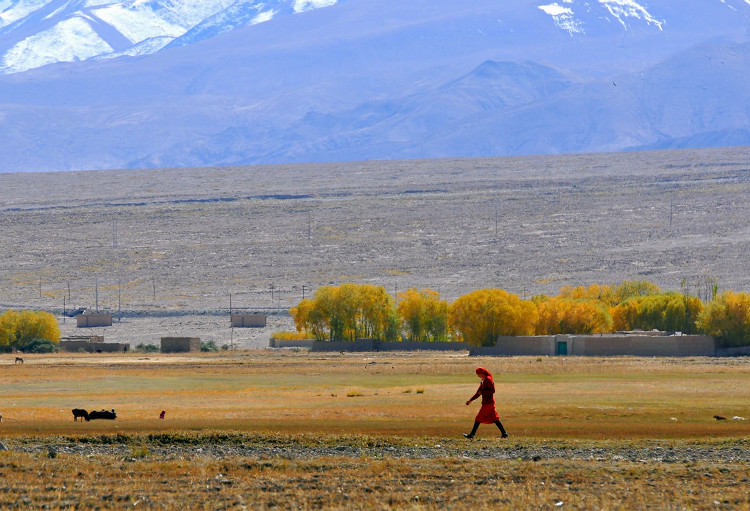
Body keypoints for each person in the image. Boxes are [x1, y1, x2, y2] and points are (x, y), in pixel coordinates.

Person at [463, 367, 509, 439]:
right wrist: (470, 400)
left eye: (478, 374)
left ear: (482, 373)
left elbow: (492, 391)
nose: (477, 375)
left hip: (488, 403)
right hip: (488, 402)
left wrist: (483, 392)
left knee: (478, 418)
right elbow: (478, 392)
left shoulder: (488, 379)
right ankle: (504, 433)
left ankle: (471, 435)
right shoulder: (483, 380)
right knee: (495, 418)